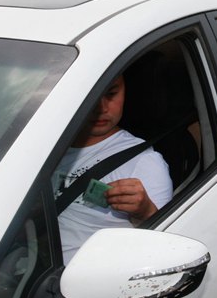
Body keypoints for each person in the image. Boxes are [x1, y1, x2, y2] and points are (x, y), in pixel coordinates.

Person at [54, 75, 173, 264]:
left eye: (111, 94)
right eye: (90, 96)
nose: (101, 108)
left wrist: (145, 211)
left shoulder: (144, 161)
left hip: (81, 284)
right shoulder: (46, 145)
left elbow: (165, 249)